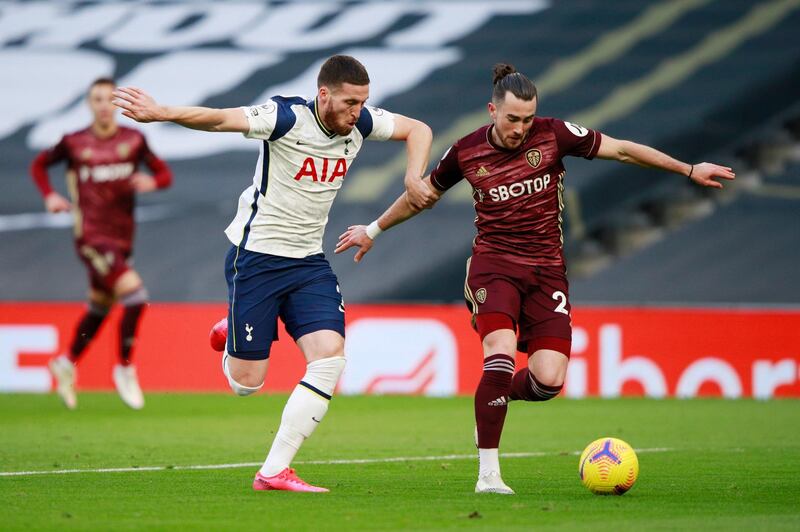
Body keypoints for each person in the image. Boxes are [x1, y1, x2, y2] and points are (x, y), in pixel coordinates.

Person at [335, 63, 735, 494]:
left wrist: (689, 170)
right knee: (500, 351)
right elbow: (422, 197)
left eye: (527, 119)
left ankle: (494, 399)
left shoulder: (554, 134)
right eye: (512, 119)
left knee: (549, 380)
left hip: (547, 271)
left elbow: (620, 149)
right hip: (495, 265)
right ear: (492, 110)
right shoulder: (466, 152)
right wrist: (372, 229)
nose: (520, 129)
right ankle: (488, 474)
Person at [112, 55, 434, 492]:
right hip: (257, 259)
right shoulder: (285, 117)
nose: (357, 111)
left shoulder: (359, 124)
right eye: (349, 102)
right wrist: (162, 111)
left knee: (330, 359)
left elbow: (419, 129)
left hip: (308, 263)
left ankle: (274, 470)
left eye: (363, 102)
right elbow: (220, 119)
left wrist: (413, 177)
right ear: (324, 95)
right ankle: (231, 334)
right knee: (248, 383)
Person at [31, 77, 173, 411]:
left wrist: (152, 182)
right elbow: (39, 165)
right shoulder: (74, 142)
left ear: (117, 105)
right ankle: (124, 368)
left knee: (100, 306)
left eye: (110, 100)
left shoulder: (134, 140)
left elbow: (164, 174)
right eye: (97, 100)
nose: (104, 106)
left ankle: (66, 362)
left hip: (123, 238)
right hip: (91, 236)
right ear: (89, 104)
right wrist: (50, 195)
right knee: (136, 297)